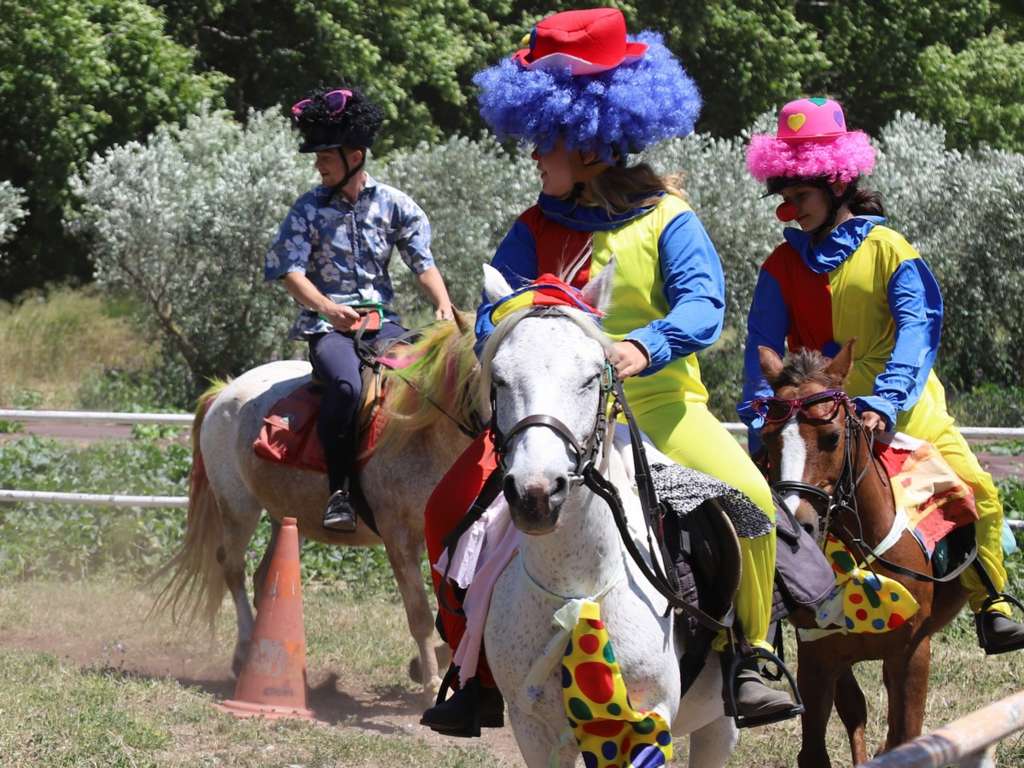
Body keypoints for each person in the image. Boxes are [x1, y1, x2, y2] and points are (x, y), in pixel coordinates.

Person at [420, 7, 800, 737]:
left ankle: (753, 655)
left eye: (544, 142)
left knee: (750, 499)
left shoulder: (668, 220)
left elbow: (704, 308)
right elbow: (489, 311)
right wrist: (512, 339)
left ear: (587, 143)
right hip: (551, 415)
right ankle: (470, 673)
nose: (534, 156)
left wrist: (644, 346)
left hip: (659, 405)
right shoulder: (532, 228)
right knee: (445, 510)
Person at [739, 96, 1024, 654]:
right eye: (786, 198)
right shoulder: (779, 265)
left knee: (982, 491)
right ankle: (759, 640)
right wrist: (762, 418)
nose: (791, 209)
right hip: (812, 416)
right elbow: (761, 350)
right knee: (751, 506)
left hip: (907, 405)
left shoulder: (891, 249)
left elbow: (919, 332)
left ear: (836, 183)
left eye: (800, 196)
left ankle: (991, 600)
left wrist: (888, 402)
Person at [265, 85, 454, 532]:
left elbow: (421, 263)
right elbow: (290, 272)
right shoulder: (307, 209)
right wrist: (328, 309)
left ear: (355, 154)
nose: (318, 165)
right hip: (327, 328)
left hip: (383, 324)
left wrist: (443, 304)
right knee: (348, 389)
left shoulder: (395, 205)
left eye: (325, 157)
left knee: (426, 379)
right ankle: (339, 493)